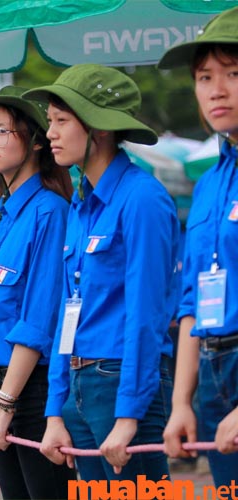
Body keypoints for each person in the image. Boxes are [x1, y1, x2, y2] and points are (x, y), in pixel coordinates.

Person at [21, 64, 179, 480]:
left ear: (100, 128)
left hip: (121, 382)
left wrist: (129, 413)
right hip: (79, 383)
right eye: (49, 121)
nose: (49, 133)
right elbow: (65, 314)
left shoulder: (142, 198)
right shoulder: (80, 203)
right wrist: (55, 410)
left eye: (61, 121)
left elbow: (148, 314)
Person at [0, 86, 76, 499]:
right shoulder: (2, 214)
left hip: (30, 390)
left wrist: (4, 405)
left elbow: (38, 321)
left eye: (3, 130)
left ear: (36, 139)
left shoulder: (50, 211)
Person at [158, 6, 238, 484]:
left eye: (233, 73)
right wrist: (181, 403)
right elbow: (191, 302)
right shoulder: (209, 183)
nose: (217, 89)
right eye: (205, 77)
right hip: (212, 371)